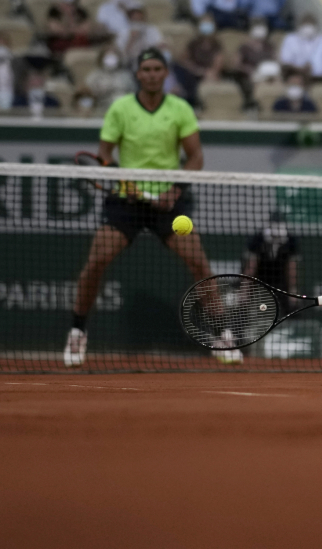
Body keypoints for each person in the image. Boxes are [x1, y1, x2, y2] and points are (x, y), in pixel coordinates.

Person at [63, 48, 242, 367]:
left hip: (169, 205)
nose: (151, 74)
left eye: (158, 68)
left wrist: (174, 191)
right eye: (146, 69)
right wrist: (127, 186)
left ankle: (222, 335)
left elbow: (196, 158)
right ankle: (77, 332)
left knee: (200, 264)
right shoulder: (120, 108)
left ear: (165, 72)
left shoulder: (180, 108)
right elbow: (104, 157)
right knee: (96, 261)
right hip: (126, 203)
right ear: (137, 74)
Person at [243, 211, 300, 315]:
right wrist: (245, 290)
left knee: (289, 310)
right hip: (260, 283)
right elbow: (251, 267)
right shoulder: (257, 240)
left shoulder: (291, 241)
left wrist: (292, 291)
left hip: (280, 283)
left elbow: (291, 267)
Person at [172, 13, 223, 106]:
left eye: (209, 23)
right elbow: (182, 59)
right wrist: (194, 69)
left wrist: (205, 72)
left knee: (211, 78)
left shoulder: (217, 45)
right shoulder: (194, 43)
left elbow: (217, 65)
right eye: (204, 23)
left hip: (206, 74)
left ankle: (201, 104)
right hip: (192, 73)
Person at [278, 13, 322, 80]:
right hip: (298, 78)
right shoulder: (291, 39)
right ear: (300, 26)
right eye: (305, 25)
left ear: (316, 26)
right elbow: (285, 63)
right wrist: (301, 70)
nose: (308, 29)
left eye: (311, 25)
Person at [234, 18, 277, 106]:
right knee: (253, 82)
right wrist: (247, 69)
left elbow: (276, 61)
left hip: (267, 75)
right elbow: (236, 64)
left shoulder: (269, 47)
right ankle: (254, 103)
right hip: (250, 75)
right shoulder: (244, 47)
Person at [116, 4, 164, 69]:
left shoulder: (152, 30)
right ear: (129, 20)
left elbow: (160, 45)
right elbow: (122, 54)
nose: (138, 22)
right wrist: (132, 39)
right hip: (130, 61)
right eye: (135, 19)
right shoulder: (123, 32)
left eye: (140, 19)